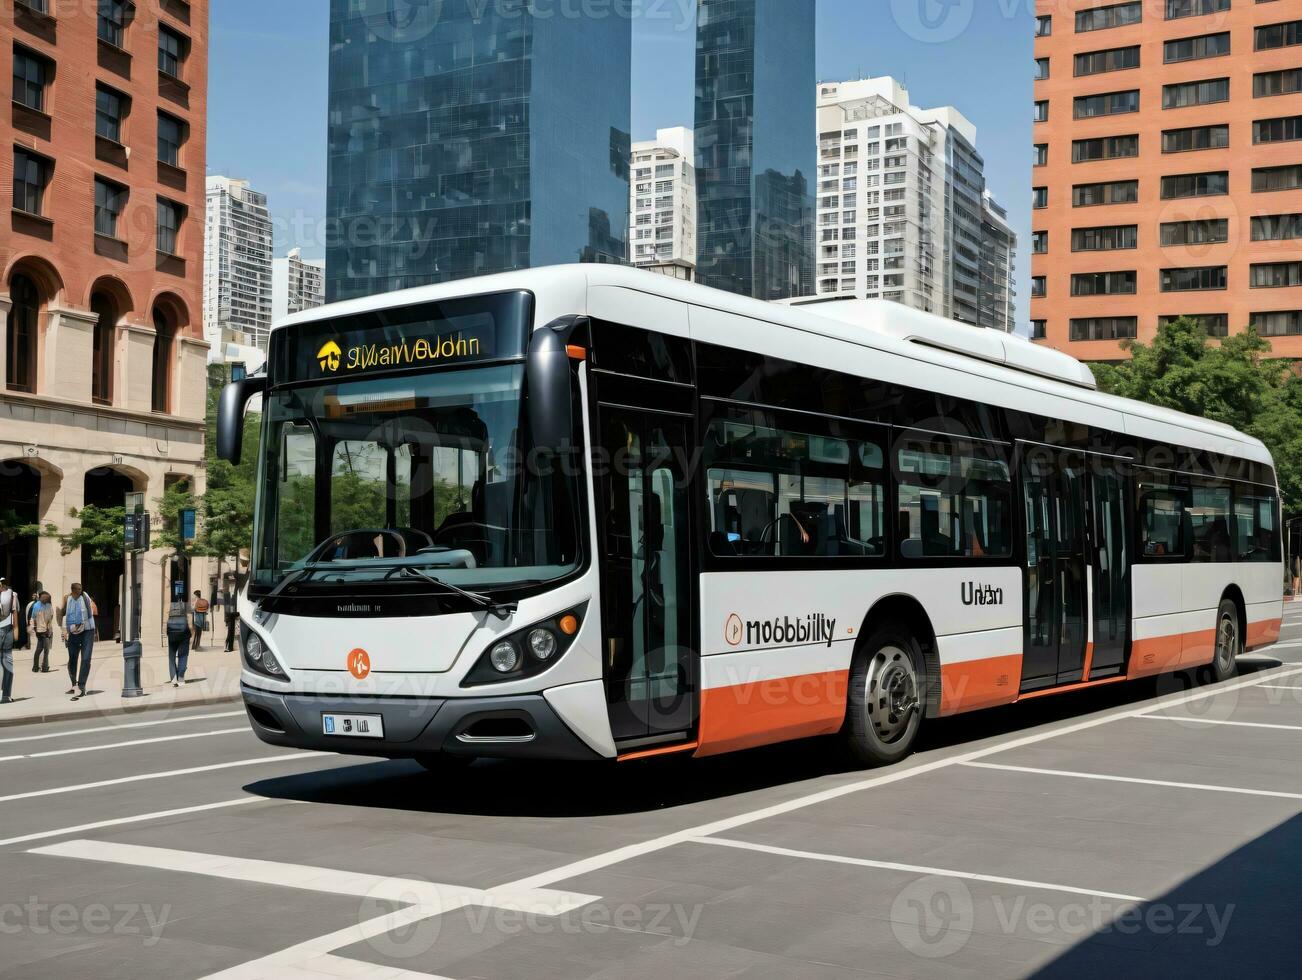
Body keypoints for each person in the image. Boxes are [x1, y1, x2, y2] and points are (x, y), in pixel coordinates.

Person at [58, 582, 97, 701]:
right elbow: (62, 614)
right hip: (73, 632)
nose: (80, 590)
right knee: (72, 659)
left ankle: (82, 686)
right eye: (77, 589)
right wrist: (64, 630)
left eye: (81, 588)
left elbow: (93, 611)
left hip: (87, 630)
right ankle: (74, 684)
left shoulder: (85, 596)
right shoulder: (67, 599)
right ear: (72, 589)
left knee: (86, 659)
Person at [165, 597, 190, 688]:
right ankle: (181, 677)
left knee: (171, 657)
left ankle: (173, 677)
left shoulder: (169, 605)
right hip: (184, 633)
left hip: (172, 634)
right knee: (183, 656)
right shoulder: (186, 602)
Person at [28, 590, 53, 673]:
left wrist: (49, 628)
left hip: (47, 630)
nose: (46, 599)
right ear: (40, 597)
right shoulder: (36, 606)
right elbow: (33, 618)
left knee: (40, 649)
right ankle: (44, 667)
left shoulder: (49, 605)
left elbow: (51, 617)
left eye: (47, 597)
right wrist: (35, 629)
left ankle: (36, 667)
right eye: (44, 597)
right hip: (40, 630)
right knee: (45, 649)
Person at [0, 577, 15, 704]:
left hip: (6, 629)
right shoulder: (12, 595)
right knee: (7, 661)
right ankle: (5, 695)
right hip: (7, 628)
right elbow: (15, 612)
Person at [221, 578, 239, 653]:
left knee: (230, 634)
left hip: (230, 617)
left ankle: (229, 647)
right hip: (230, 617)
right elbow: (228, 611)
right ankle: (228, 647)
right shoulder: (227, 596)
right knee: (230, 634)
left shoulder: (229, 596)